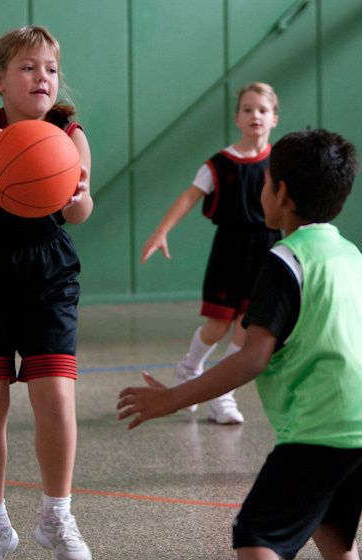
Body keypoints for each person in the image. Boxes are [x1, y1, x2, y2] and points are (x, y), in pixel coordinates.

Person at [118, 129, 362, 560]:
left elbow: (251, 359)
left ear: (282, 194)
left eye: (266, 180)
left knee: (256, 534)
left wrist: (173, 397)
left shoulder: (284, 259)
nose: (261, 188)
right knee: (324, 513)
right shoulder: (349, 253)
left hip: (325, 421)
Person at [0, 26, 94, 560]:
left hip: (49, 268)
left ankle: (57, 516)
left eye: (50, 69)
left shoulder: (69, 131)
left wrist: (77, 194)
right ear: (0, 79)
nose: (42, 78)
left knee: (56, 396)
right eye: (28, 68)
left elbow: (81, 213)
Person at [138, 82, 282, 424]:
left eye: (262, 110)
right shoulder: (220, 163)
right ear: (237, 118)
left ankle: (223, 395)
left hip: (268, 250)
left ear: (274, 118)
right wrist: (161, 231)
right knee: (218, 325)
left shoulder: (279, 163)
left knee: (247, 329)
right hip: (231, 249)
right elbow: (189, 196)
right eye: (247, 109)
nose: (255, 116)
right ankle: (189, 367)